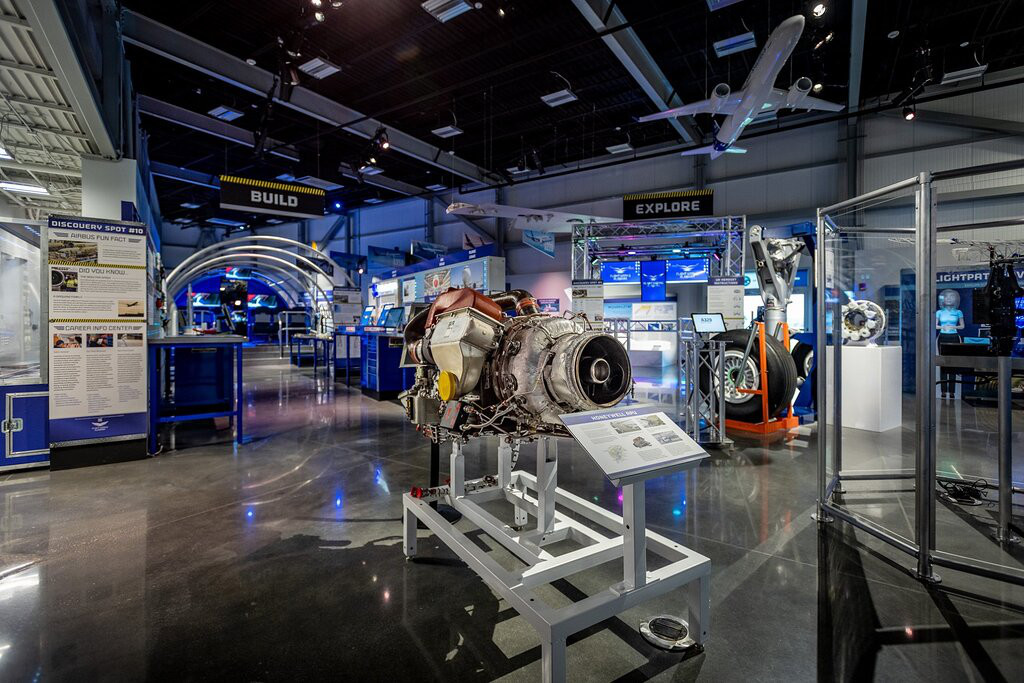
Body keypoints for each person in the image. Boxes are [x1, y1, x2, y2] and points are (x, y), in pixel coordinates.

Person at [936, 289, 965, 399]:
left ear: (955, 299)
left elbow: (962, 326)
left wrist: (953, 327)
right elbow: (935, 326)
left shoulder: (958, 312)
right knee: (943, 362)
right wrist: (943, 327)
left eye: (951, 297)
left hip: (954, 337)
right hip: (942, 336)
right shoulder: (939, 312)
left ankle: (952, 391)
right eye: (946, 297)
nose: (948, 298)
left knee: (953, 363)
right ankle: (943, 391)